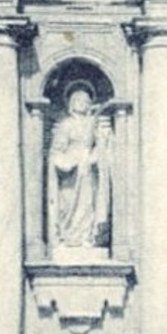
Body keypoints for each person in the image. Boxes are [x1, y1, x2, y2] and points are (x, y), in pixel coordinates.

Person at [48, 84, 111, 251]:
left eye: (86, 100)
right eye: (78, 100)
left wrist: (97, 151)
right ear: (71, 103)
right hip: (70, 173)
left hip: (88, 170)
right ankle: (69, 237)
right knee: (68, 205)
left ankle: (87, 237)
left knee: (88, 204)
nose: (83, 103)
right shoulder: (66, 125)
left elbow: (100, 146)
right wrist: (69, 162)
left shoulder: (93, 123)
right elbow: (56, 152)